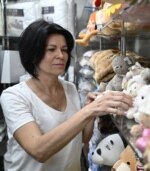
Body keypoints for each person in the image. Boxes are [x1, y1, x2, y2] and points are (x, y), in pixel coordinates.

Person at [0, 19, 133, 171]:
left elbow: (83, 138)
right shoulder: (14, 96)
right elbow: (39, 150)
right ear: (33, 53)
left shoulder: (69, 88)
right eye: (51, 49)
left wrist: (90, 111)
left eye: (64, 50)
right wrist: (88, 111)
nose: (61, 55)